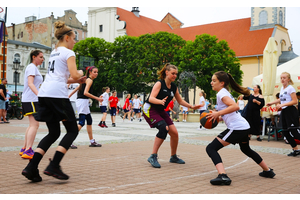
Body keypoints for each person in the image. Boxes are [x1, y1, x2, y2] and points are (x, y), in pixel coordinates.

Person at [22, 21, 86, 182]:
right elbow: (75, 74)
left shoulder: (54, 51)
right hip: (58, 95)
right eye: (73, 39)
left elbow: (64, 77)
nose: (74, 42)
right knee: (72, 130)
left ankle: (31, 167)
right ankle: (54, 165)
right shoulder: (69, 53)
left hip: (45, 93)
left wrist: (75, 80)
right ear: (66, 37)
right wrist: (80, 73)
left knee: (54, 133)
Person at [205, 71, 275, 185]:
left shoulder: (221, 94)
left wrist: (218, 113)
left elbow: (235, 106)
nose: (211, 82)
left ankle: (222, 176)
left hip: (237, 128)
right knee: (246, 149)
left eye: (214, 80)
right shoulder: (224, 92)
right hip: (244, 126)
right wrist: (219, 116)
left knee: (211, 148)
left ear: (222, 83)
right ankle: (268, 171)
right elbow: (231, 112)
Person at [142, 63, 201, 168]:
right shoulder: (159, 84)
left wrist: (192, 106)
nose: (175, 76)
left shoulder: (174, 87)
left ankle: (173, 156)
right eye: (173, 73)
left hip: (160, 110)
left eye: (176, 74)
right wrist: (159, 101)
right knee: (163, 128)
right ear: (166, 72)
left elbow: (180, 101)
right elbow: (151, 98)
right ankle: (153, 156)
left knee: (174, 133)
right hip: (150, 109)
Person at [266, 72, 300, 156]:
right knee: (285, 132)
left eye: (284, 78)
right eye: (281, 78)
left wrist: (282, 105)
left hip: (291, 111)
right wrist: (271, 102)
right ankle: (296, 150)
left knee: (294, 131)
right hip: (284, 112)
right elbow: (281, 99)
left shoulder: (290, 88)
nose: (282, 79)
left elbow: (295, 101)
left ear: (288, 79)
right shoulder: (282, 89)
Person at [70, 66, 103, 147]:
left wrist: (69, 96)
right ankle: (69, 140)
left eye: (97, 72)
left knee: (89, 121)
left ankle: (92, 141)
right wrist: (97, 98)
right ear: (90, 72)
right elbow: (85, 93)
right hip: (83, 102)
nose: (96, 73)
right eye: (94, 72)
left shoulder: (85, 79)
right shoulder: (89, 81)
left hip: (81, 102)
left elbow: (77, 88)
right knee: (81, 122)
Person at [20, 50, 44, 159]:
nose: (42, 59)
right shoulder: (32, 67)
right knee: (35, 125)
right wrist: (39, 95)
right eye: (41, 57)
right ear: (34, 57)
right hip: (32, 99)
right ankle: (28, 150)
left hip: (30, 99)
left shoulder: (34, 68)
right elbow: (30, 83)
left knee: (31, 125)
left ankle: (25, 148)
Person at [68, 83, 80, 149]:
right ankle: (69, 141)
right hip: (68, 101)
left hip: (75, 101)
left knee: (72, 120)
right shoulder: (67, 82)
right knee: (70, 121)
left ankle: (70, 141)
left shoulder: (78, 84)